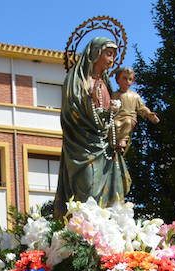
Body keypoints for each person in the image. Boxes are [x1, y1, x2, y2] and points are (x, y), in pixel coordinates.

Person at [54, 35, 127, 215]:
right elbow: (71, 109)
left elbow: (108, 115)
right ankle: (83, 231)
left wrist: (113, 112)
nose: (111, 60)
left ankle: (106, 230)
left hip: (106, 147)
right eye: (108, 54)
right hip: (82, 144)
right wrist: (89, 103)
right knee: (87, 189)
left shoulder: (105, 84)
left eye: (113, 56)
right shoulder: (76, 80)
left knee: (112, 193)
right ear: (95, 53)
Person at [110, 66, 159, 155]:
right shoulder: (113, 94)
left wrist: (149, 114)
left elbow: (142, 108)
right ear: (118, 80)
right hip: (117, 117)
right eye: (124, 78)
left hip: (129, 117)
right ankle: (114, 144)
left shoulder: (135, 96)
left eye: (130, 79)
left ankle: (122, 141)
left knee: (128, 122)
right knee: (115, 124)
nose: (127, 81)